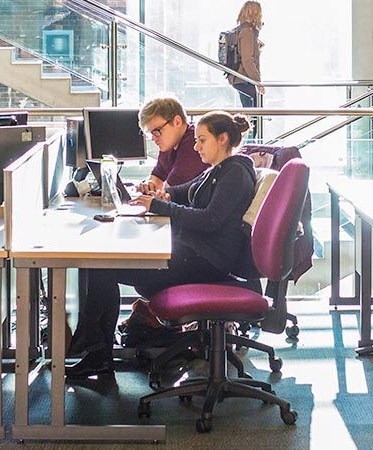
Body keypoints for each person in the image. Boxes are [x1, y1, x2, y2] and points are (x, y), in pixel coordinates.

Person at [65, 112, 263, 379]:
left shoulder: (234, 174)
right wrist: (158, 194)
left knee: (103, 268)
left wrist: (158, 206)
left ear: (223, 138)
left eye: (202, 140)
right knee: (101, 265)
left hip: (205, 262)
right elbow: (185, 190)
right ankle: (95, 348)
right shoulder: (218, 170)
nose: (196, 146)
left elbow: (210, 220)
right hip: (193, 254)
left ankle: (94, 349)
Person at [135, 97, 209, 195]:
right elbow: (156, 179)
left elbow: (168, 194)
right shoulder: (169, 143)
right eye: (150, 133)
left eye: (157, 131)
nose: (153, 138)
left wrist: (154, 192)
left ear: (177, 122)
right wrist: (148, 186)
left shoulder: (193, 144)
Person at [227, 1, 265, 108]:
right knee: (254, 113)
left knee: (251, 112)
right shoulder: (247, 32)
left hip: (241, 79)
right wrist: (258, 81)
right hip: (244, 79)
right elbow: (247, 60)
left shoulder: (243, 30)